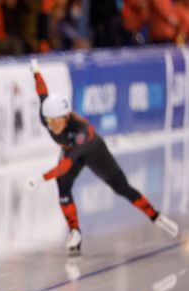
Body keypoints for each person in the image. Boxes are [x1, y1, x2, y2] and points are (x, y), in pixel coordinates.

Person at [27, 58, 179, 256]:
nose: (52, 126)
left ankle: (156, 216)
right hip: (70, 150)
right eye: (49, 122)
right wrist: (36, 71)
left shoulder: (82, 130)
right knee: (63, 187)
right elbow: (42, 92)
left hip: (93, 151)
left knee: (122, 189)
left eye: (56, 121)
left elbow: (65, 165)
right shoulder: (46, 114)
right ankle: (75, 232)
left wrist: (40, 178)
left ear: (65, 116)